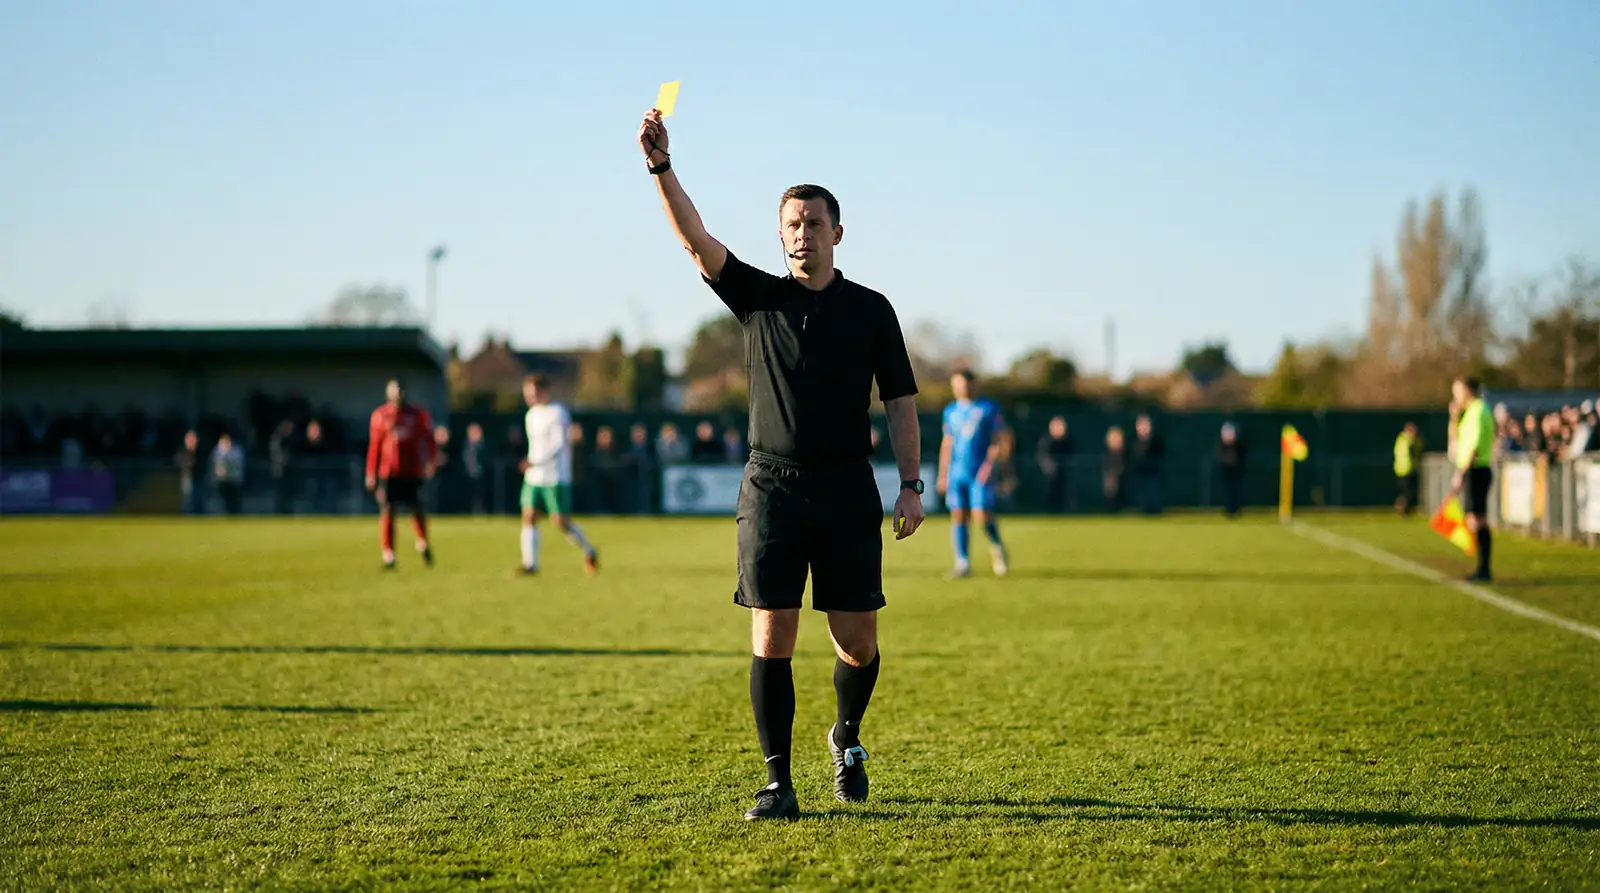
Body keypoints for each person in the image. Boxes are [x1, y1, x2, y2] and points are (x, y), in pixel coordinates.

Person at [640, 108, 925, 821]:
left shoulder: (872, 310)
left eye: (815, 222)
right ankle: (778, 782)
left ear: (838, 232)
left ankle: (846, 735)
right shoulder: (759, 298)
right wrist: (660, 166)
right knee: (772, 634)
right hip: (771, 487)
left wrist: (911, 484)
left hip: (846, 488)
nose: (804, 233)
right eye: (793, 224)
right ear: (780, 235)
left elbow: (900, 403)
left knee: (857, 642)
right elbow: (694, 239)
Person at [516, 373, 599, 575]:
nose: (530, 398)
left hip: (555, 476)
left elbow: (558, 444)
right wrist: (532, 463)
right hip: (534, 476)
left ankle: (589, 549)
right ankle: (530, 564)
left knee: (560, 522)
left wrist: (536, 461)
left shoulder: (557, 413)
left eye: (533, 394)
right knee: (528, 516)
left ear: (544, 391)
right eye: (527, 395)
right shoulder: (530, 415)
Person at [937, 369, 1011, 578]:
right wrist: (943, 474)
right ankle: (963, 562)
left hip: (979, 472)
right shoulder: (950, 411)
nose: (961, 388)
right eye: (957, 385)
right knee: (958, 514)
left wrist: (989, 466)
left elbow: (998, 440)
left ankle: (997, 546)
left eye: (964, 384)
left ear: (974, 384)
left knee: (981, 515)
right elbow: (947, 443)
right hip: (957, 472)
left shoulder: (988, 408)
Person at [364, 379, 436, 569]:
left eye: (401, 391)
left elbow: (429, 438)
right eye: (394, 391)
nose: (398, 395)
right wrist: (371, 472)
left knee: (416, 508)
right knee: (388, 510)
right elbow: (375, 446)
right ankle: (389, 554)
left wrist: (431, 460)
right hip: (389, 472)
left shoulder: (417, 415)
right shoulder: (381, 415)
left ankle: (422, 542)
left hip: (412, 470)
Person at [1451, 376, 1495, 582]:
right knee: (1474, 518)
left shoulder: (1478, 411)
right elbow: (1455, 440)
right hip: (1472, 469)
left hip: (1476, 469)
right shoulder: (1469, 412)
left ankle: (1484, 568)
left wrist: (1462, 472)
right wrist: (1453, 416)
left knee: (1477, 519)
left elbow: (1475, 446)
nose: (1455, 396)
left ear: (1467, 391)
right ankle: (1482, 568)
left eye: (1457, 391)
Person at [1215, 422, 1245, 518]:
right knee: (1227, 490)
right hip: (1225, 468)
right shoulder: (1221, 445)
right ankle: (1229, 509)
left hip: (1235, 468)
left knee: (1235, 489)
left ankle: (1236, 508)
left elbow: (1241, 451)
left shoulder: (1237, 445)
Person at [1393, 422, 1422, 515]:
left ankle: (1403, 507)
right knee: (1409, 492)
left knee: (1408, 492)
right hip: (1406, 470)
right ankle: (1401, 506)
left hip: (1401, 469)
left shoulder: (1400, 439)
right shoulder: (1408, 440)